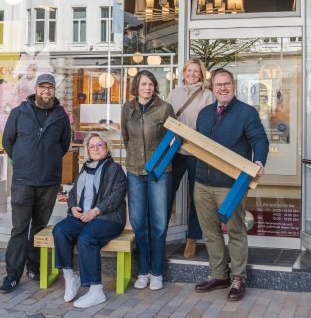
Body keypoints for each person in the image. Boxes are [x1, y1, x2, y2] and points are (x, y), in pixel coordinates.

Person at [193, 68, 267, 302]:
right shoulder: (204, 113)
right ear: (212, 88)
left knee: (235, 231)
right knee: (210, 232)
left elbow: (259, 139)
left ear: (233, 86)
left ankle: (238, 277)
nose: (222, 88)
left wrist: (259, 160)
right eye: (218, 85)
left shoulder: (247, 112)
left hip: (231, 184)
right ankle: (218, 274)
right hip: (202, 183)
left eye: (226, 84)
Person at [0, 73, 72, 293]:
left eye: (50, 88)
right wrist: (23, 161)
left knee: (39, 229)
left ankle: (34, 267)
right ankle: (12, 275)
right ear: (36, 89)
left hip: (48, 182)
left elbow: (64, 146)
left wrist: (47, 161)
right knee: (19, 229)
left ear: (54, 91)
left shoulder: (61, 116)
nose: (46, 91)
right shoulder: (19, 112)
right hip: (23, 181)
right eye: (43, 87)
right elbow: (7, 141)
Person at [53, 133, 127, 308]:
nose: (95, 149)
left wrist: (96, 210)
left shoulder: (115, 169)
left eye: (99, 145)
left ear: (107, 147)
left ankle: (96, 291)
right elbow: (72, 193)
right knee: (60, 230)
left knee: (86, 239)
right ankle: (71, 278)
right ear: (87, 150)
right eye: (91, 146)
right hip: (83, 217)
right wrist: (72, 207)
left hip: (108, 218)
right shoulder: (84, 168)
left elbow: (117, 196)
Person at [121, 70, 176, 291]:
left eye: (151, 84)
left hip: (160, 173)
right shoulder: (128, 108)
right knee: (138, 223)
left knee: (159, 224)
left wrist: (159, 162)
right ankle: (143, 271)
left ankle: (157, 272)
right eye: (144, 84)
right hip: (135, 172)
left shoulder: (164, 108)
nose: (148, 87)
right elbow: (126, 138)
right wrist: (136, 158)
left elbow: (174, 138)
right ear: (136, 86)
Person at [166, 58, 214, 258]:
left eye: (196, 71)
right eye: (189, 71)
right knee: (166, 193)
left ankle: (192, 237)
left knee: (197, 196)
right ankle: (161, 233)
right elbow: (166, 120)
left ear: (201, 74)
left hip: (197, 151)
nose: (192, 74)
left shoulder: (208, 95)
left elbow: (211, 123)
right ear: (183, 73)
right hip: (176, 151)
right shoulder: (173, 94)